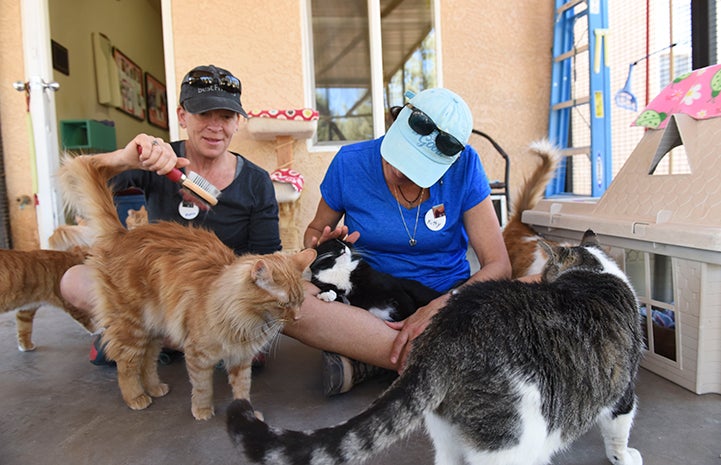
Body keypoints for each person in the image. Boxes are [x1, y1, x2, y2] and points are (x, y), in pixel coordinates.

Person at [282, 87, 512, 396]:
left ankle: (371, 358)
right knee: (283, 302)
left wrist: (437, 307)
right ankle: (441, 359)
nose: (401, 173)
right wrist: (320, 245)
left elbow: (498, 265)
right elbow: (313, 232)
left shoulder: (465, 165)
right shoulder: (350, 163)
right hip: (365, 298)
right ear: (396, 123)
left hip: (446, 299)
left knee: (534, 295)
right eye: (399, 156)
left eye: (419, 169)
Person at [60, 64, 281, 364]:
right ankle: (195, 343)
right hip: (157, 295)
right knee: (74, 280)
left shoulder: (256, 181)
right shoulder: (156, 161)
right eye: (204, 114)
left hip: (219, 297)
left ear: (237, 122)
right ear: (182, 116)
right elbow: (73, 178)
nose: (215, 127)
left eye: (226, 116)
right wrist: (126, 160)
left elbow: (266, 259)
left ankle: (147, 338)